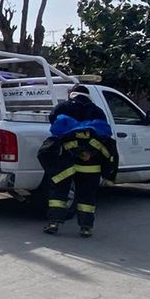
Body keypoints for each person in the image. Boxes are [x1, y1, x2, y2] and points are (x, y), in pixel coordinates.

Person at [39, 84, 116, 237]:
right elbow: (103, 136)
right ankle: (86, 227)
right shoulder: (97, 111)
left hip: (66, 161)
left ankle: (54, 223)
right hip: (90, 162)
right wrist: (90, 152)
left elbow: (53, 124)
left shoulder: (62, 107)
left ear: (71, 94)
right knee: (87, 196)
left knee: (58, 193)